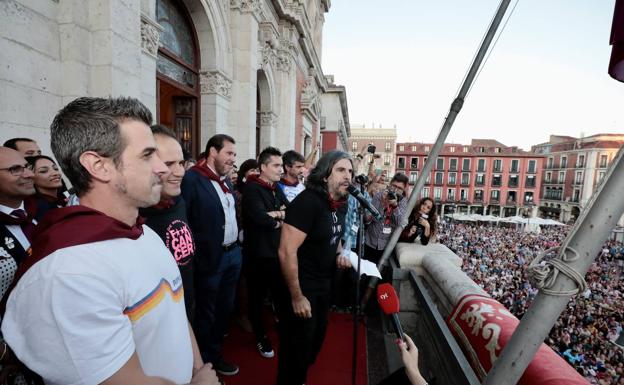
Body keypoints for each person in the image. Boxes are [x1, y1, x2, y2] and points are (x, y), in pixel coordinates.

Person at [2, 97, 217, 384]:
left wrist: (197, 368)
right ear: (98, 166)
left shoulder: (144, 233)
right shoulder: (68, 272)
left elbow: (176, 312)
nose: (163, 168)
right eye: (147, 155)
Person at [276, 150, 353, 385]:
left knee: (316, 340)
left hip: (324, 283)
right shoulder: (308, 202)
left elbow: (335, 234)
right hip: (301, 285)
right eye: (340, 170)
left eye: (350, 171)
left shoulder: (341, 202)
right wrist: (297, 296)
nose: (347, 176)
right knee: (296, 348)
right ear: (324, 173)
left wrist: (341, 253)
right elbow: (286, 251)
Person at [182, 134, 241, 376]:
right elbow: (184, 219)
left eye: (235, 155)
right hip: (210, 260)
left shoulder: (225, 181)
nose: (233, 160)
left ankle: (215, 355)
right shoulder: (193, 179)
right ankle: (204, 366)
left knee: (224, 310)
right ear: (213, 152)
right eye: (229, 153)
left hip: (233, 256)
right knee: (206, 313)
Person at [139, 125, 196, 321]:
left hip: (187, 305)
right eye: (169, 163)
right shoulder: (134, 217)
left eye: (181, 162)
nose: (180, 172)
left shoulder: (178, 201)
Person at [242, 147, 288, 359]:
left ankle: (282, 327)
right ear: (263, 167)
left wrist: (275, 215)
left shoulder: (276, 187)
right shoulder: (252, 189)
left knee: (280, 294)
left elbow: (290, 211)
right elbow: (260, 219)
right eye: (277, 166)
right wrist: (279, 217)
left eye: (282, 165)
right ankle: (260, 336)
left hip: (277, 252)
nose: (281, 169)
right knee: (257, 298)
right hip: (258, 255)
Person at [364, 173, 410, 264]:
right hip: (370, 240)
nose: (396, 190)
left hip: (385, 246)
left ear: (403, 189)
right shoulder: (379, 195)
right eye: (394, 186)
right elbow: (368, 218)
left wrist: (395, 206)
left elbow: (399, 222)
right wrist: (382, 203)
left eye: (399, 188)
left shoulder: (403, 202)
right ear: (390, 184)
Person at [27, 155, 67, 220]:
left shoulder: (64, 200)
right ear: (31, 178)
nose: (55, 173)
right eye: (44, 171)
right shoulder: (39, 209)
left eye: (56, 168)